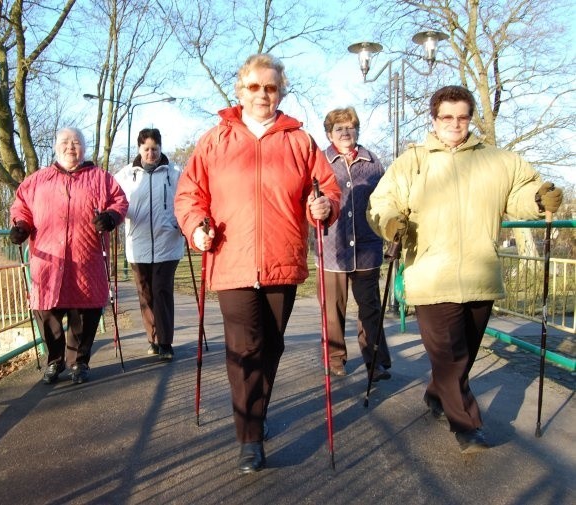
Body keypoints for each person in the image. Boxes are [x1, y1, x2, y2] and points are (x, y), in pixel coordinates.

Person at [367, 85, 562, 454]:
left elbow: (519, 193)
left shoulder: (497, 160)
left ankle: (437, 394)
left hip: (480, 270)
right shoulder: (413, 161)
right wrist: (392, 222)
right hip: (430, 272)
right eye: (446, 117)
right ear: (434, 119)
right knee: (449, 355)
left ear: (470, 118)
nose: (455, 124)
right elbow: (383, 200)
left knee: (464, 354)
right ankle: (467, 426)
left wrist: (538, 199)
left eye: (462, 117)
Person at [174, 53, 341, 474]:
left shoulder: (300, 142)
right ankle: (249, 436)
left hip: (282, 260)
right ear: (240, 90)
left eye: (270, 87)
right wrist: (197, 227)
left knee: (272, 345)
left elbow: (326, 190)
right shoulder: (214, 140)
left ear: (281, 90)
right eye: (254, 87)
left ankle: (257, 413)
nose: (262, 94)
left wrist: (323, 207)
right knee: (244, 346)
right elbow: (189, 195)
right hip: (230, 259)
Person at [9, 127, 128, 385]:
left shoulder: (101, 178)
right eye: (64, 142)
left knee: (84, 314)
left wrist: (111, 216)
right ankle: (55, 360)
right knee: (47, 311)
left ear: (84, 148)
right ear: (55, 147)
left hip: (86, 259)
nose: (70, 147)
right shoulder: (38, 180)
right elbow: (22, 206)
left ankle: (79, 362)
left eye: (76, 142)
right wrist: (20, 225)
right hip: (48, 263)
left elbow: (119, 201)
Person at [317, 106, 391, 380]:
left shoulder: (373, 162)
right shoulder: (320, 161)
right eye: (339, 128)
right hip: (332, 246)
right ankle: (335, 358)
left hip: (367, 246)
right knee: (333, 308)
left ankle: (376, 361)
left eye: (351, 127)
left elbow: (385, 199)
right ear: (329, 133)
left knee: (369, 306)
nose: (346, 132)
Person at [114, 128, 184, 361]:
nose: (151, 154)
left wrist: (181, 223)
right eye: (146, 149)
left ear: (161, 148)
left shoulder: (174, 173)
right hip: (138, 243)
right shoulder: (125, 175)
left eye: (155, 149)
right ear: (139, 149)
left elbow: (186, 199)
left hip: (168, 243)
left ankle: (165, 342)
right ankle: (152, 339)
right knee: (145, 294)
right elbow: (113, 202)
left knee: (161, 291)